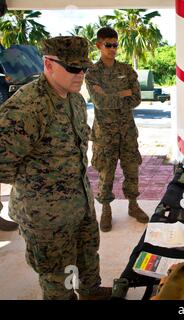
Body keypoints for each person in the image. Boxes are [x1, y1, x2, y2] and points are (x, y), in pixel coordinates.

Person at [0, 36, 111, 300]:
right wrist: (37, 185)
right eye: (73, 68)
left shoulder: (75, 100)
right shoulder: (27, 107)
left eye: (84, 68)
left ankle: (91, 292)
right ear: (48, 64)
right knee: (55, 275)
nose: (81, 74)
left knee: (87, 255)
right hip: (45, 215)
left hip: (80, 201)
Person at [85, 27, 148, 232]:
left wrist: (109, 93)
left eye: (115, 44)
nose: (113, 49)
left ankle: (133, 205)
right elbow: (99, 102)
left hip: (128, 131)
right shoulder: (92, 73)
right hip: (105, 134)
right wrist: (123, 93)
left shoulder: (127, 70)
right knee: (106, 172)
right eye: (108, 45)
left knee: (132, 169)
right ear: (98, 45)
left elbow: (136, 98)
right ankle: (105, 209)